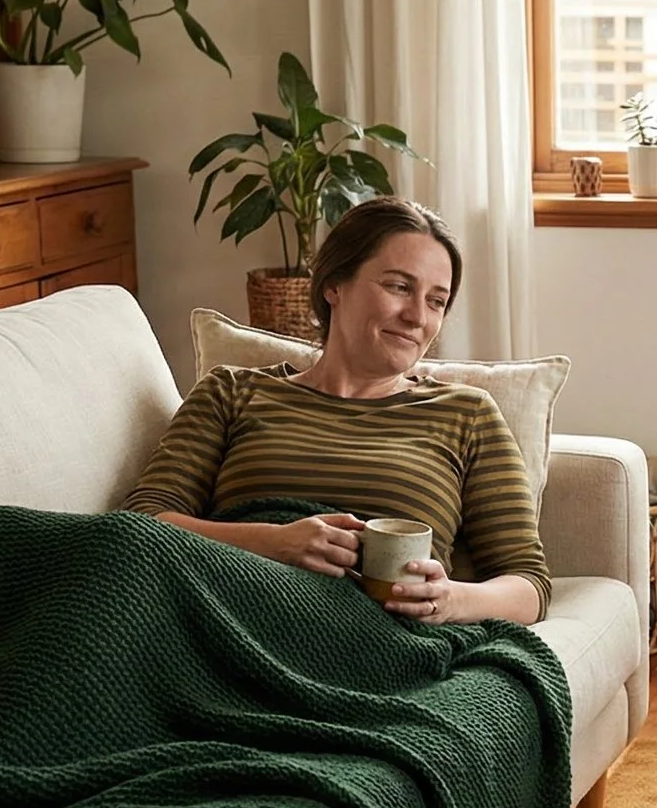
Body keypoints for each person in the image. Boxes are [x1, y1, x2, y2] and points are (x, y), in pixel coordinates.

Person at [123, 198, 548, 625]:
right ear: (334, 285)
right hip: (226, 616)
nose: (417, 316)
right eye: (399, 287)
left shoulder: (466, 414)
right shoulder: (232, 392)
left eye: (436, 301)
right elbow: (141, 523)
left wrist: (450, 600)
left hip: (378, 638)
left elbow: (528, 584)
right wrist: (273, 543)